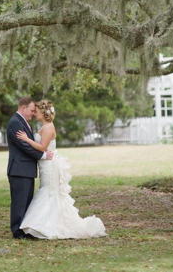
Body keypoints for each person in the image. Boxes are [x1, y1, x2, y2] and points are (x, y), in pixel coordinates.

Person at [16, 99, 107, 239]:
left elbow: (42, 147)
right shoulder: (45, 126)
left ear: (43, 113)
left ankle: (43, 225)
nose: (35, 114)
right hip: (45, 163)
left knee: (48, 192)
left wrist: (26, 139)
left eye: (37, 112)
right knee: (48, 191)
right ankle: (42, 224)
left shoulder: (48, 127)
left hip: (49, 165)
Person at [6, 97, 54, 240]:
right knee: (19, 202)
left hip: (27, 169)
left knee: (27, 202)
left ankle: (26, 229)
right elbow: (24, 146)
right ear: (23, 108)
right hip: (19, 169)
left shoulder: (23, 122)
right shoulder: (15, 122)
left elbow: (29, 143)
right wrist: (43, 155)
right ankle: (17, 231)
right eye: (32, 111)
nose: (33, 114)